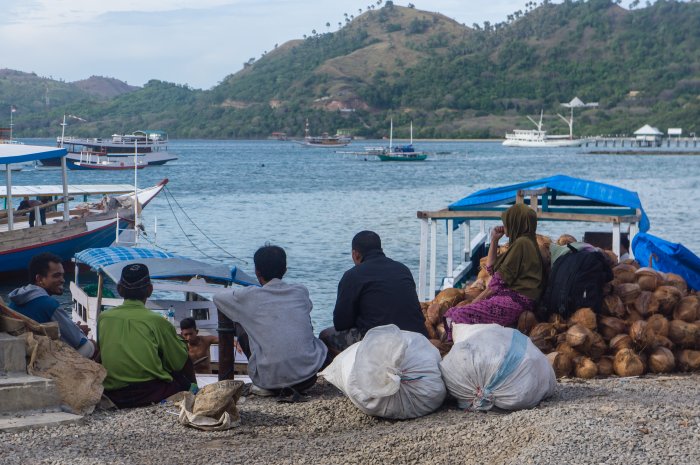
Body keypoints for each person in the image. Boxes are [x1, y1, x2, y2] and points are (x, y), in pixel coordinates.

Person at [213, 245, 327, 397]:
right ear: (285, 270)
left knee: (240, 322)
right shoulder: (300, 291)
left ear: (257, 272)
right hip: (308, 377)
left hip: (269, 381)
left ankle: (262, 378)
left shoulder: (249, 296)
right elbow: (308, 308)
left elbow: (217, 297)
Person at [440, 203, 545, 340]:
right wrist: (494, 240)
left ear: (516, 222)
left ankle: (450, 345)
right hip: (512, 299)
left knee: (456, 315)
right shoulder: (524, 242)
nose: (504, 224)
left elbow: (495, 284)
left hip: (515, 302)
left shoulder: (522, 244)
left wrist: (473, 303)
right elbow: (491, 268)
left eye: (507, 221)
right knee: (455, 312)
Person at [97, 263, 195, 409]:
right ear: (149, 290)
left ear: (119, 289)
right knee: (181, 359)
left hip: (113, 393)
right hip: (148, 393)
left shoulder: (104, 318)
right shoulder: (157, 321)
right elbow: (177, 363)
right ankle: (196, 395)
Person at [319, 230, 428, 357]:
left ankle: (341, 374)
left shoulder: (353, 275)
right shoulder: (403, 269)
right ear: (381, 249)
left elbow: (341, 323)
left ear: (355, 254)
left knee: (325, 336)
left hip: (379, 342)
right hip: (417, 336)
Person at [8, 252, 95, 358]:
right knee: (90, 345)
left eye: (63, 275)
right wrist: (80, 331)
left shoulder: (15, 300)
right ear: (39, 279)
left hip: (23, 354)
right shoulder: (49, 304)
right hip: (42, 358)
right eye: (56, 276)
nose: (63, 280)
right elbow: (77, 341)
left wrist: (74, 328)